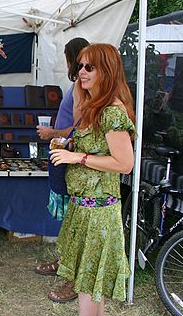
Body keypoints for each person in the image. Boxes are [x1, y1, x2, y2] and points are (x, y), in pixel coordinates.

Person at [49, 43, 136, 315]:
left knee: (89, 282)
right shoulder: (95, 105)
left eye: (89, 67)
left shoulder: (112, 112)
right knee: (88, 283)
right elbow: (99, 147)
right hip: (85, 209)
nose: (81, 72)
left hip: (99, 213)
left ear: (107, 71)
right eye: (79, 66)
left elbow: (125, 164)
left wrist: (78, 158)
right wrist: (71, 146)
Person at [34, 37, 90, 303]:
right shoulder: (78, 85)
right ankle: (64, 262)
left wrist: (51, 132)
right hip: (66, 154)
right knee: (69, 221)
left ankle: (72, 274)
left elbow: (77, 128)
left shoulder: (81, 86)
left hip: (72, 158)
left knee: (73, 218)